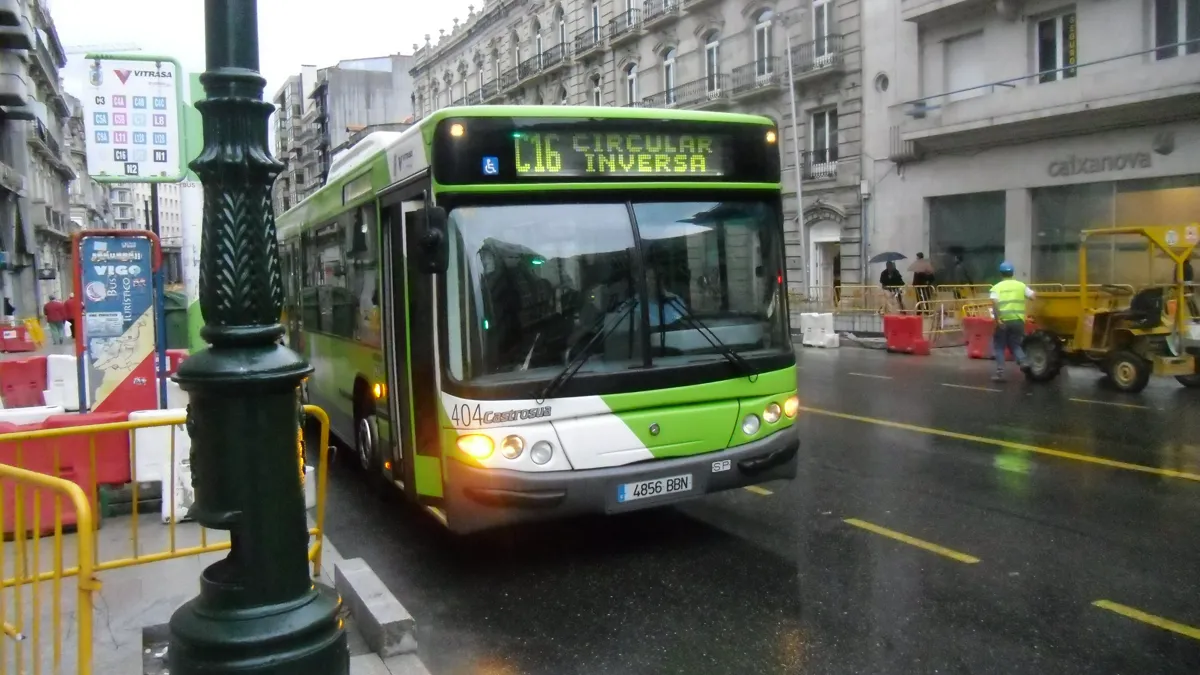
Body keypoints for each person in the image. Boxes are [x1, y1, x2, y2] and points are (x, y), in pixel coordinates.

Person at [989, 261, 1036, 382]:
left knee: (999, 347)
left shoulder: (997, 287)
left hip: (1003, 321)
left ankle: (1000, 373)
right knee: (1015, 344)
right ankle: (1023, 361)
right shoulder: (1020, 285)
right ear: (1012, 273)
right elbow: (1033, 296)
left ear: (1001, 273)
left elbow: (994, 304)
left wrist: (998, 319)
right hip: (1018, 321)